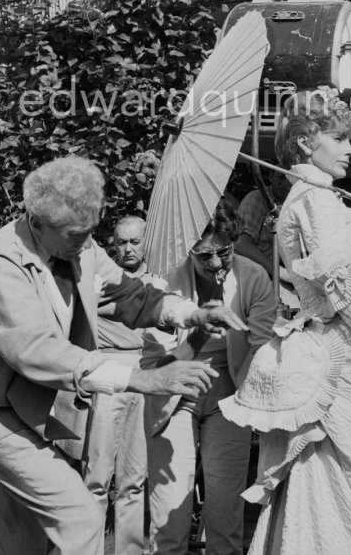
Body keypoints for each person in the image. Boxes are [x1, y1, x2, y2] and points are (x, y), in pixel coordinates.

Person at [0, 156, 248, 555]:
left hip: (45, 411)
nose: (84, 244)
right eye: (74, 234)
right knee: (82, 517)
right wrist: (142, 379)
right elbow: (36, 351)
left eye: (89, 232)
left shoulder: (79, 246)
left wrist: (191, 313)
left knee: (23, 544)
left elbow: (128, 294)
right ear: (36, 223)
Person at [220, 86, 351, 555]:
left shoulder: (318, 197)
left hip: (341, 351)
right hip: (339, 359)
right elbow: (342, 296)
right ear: (306, 141)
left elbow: (350, 288)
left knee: (339, 480)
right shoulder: (317, 200)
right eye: (340, 137)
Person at [142, 200, 277, 555]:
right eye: (204, 256)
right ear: (188, 250)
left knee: (224, 506)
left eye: (224, 251)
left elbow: (260, 347)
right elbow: (158, 359)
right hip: (174, 391)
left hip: (230, 394)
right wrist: (202, 328)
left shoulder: (253, 277)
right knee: (171, 505)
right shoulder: (164, 279)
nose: (216, 263)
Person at [84, 215, 165, 555]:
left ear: (147, 241)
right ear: (113, 243)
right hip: (105, 366)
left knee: (135, 475)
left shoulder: (160, 279)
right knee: (96, 474)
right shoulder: (101, 277)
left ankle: (129, 550)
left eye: (135, 241)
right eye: (122, 242)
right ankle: (86, 547)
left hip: (144, 369)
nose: (128, 248)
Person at [235, 170, 291, 279]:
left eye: (291, 179)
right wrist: (280, 272)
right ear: (271, 176)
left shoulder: (298, 203)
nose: (286, 184)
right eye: (281, 177)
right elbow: (241, 244)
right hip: (252, 275)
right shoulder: (256, 198)